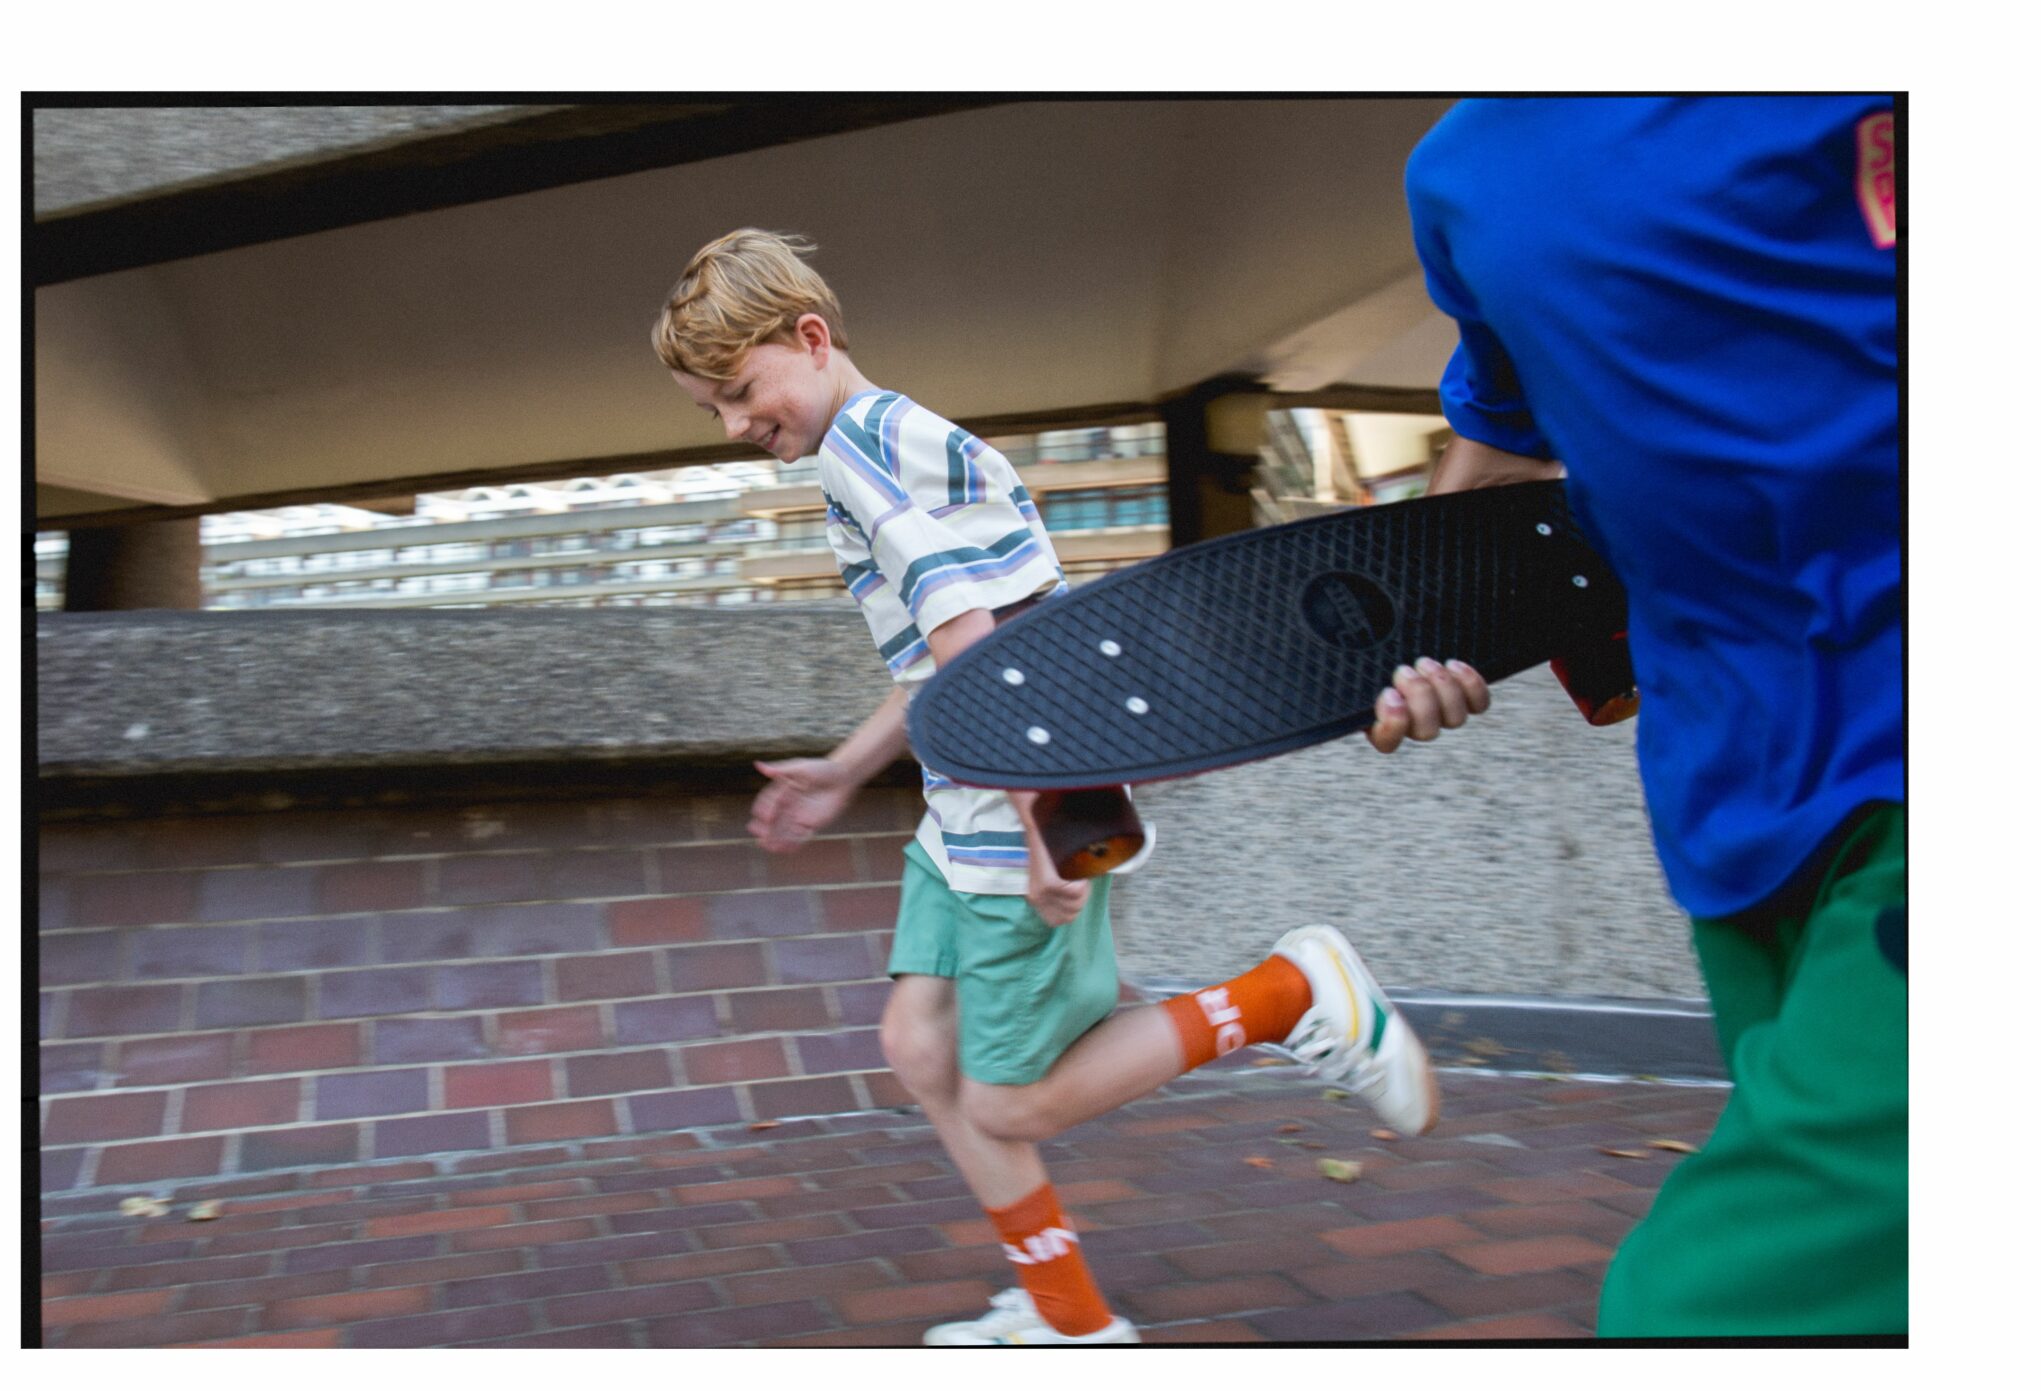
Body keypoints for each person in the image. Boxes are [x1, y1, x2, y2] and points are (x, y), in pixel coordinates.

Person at [651, 229, 1441, 1346]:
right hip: (971, 806)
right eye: (713, 409)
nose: (734, 424)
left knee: (1012, 1096)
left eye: (738, 391)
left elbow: (974, 642)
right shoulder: (894, 435)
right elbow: (946, 654)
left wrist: (1046, 823)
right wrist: (846, 768)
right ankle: (1069, 1319)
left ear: (811, 338)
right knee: (920, 1046)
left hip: (1008, 807)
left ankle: (1288, 994)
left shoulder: (863, 457)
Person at [1370, 97, 1903, 1337]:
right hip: (1730, 802)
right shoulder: (1458, 177)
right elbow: (1502, 455)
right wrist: (1408, 641)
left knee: (1702, 1311)